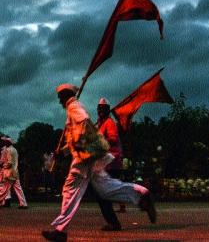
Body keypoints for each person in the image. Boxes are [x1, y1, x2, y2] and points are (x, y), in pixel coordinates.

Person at [42, 83, 156, 242]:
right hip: (90, 156)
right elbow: (78, 134)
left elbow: (85, 124)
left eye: (60, 96)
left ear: (66, 95)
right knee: (106, 189)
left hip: (85, 157)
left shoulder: (75, 107)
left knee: (70, 189)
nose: (59, 100)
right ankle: (141, 194)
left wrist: (83, 145)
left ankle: (61, 230)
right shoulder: (78, 111)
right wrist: (63, 151)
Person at [97, 97, 126, 213]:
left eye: (103, 109)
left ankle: (118, 204)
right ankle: (121, 204)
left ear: (107, 110)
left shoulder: (109, 123)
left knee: (110, 183)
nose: (100, 111)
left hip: (112, 159)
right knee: (113, 183)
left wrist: (100, 141)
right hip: (107, 159)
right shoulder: (101, 123)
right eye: (99, 108)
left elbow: (113, 139)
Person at [0, 136, 28, 209]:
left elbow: (9, 163)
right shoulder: (14, 150)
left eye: (5, 142)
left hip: (9, 173)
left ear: (7, 142)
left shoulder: (8, 150)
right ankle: (23, 204)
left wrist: (3, 165)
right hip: (15, 172)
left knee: (4, 189)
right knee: (19, 189)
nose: (4, 142)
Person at [0, 138, 12, 207]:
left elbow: (2, 161)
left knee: (3, 185)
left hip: (4, 169)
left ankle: (5, 201)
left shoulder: (4, 150)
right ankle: (6, 201)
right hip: (6, 169)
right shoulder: (6, 149)